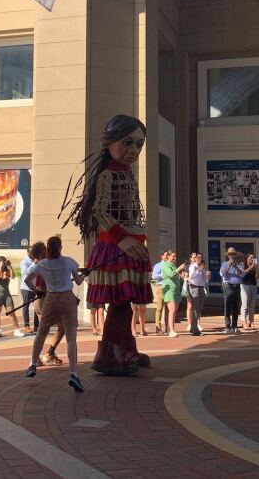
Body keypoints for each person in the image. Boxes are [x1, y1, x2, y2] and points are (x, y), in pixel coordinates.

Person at [61, 114, 152, 376]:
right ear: (109, 142)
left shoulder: (126, 174)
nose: (134, 150)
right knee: (121, 302)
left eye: (139, 144)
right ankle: (108, 355)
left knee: (125, 302)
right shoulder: (107, 176)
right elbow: (100, 211)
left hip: (129, 241)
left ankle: (127, 348)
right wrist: (122, 237)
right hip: (115, 245)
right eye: (127, 142)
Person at [22, 236, 86, 391]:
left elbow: (27, 280)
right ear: (60, 247)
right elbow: (78, 281)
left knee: (42, 332)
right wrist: (85, 274)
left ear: (48, 249)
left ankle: (33, 365)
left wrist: (36, 291)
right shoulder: (69, 262)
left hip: (50, 299)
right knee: (71, 338)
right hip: (67, 298)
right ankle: (73, 373)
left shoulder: (42, 264)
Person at [0, 256, 24, 338]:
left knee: (11, 312)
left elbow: (12, 276)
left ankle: (17, 330)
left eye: (4, 262)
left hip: (7, 294)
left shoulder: (7, 271)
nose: (3, 264)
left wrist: (10, 266)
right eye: (2, 262)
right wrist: (0, 267)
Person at [19, 242, 44, 334]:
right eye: (31, 252)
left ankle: (37, 326)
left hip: (36, 287)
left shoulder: (38, 260)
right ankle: (26, 326)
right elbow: (26, 273)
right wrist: (34, 263)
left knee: (36, 306)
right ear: (28, 252)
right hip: (26, 288)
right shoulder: (24, 262)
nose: (33, 254)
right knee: (26, 306)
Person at [219, 249, 243, 334]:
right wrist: (229, 266)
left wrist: (235, 267)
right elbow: (222, 274)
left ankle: (235, 326)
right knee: (228, 306)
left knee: (235, 306)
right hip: (228, 286)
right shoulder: (224, 264)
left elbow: (242, 274)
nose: (232, 255)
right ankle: (227, 326)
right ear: (228, 255)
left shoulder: (239, 264)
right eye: (230, 254)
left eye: (233, 254)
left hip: (236, 286)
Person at [161, 251, 184, 336]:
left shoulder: (173, 265)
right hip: (169, 290)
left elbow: (175, 276)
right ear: (168, 256)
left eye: (175, 256)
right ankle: (171, 330)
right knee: (172, 309)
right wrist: (179, 268)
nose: (175, 258)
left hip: (176, 290)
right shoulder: (166, 265)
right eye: (173, 256)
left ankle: (171, 329)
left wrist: (182, 276)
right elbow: (170, 274)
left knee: (174, 311)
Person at [187, 253, 209, 336]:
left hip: (201, 288)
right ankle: (195, 329)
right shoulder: (193, 266)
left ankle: (193, 327)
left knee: (199, 309)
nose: (200, 259)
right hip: (194, 287)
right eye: (198, 257)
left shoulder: (202, 268)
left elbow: (204, 280)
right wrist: (199, 269)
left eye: (201, 257)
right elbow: (191, 276)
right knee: (196, 308)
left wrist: (207, 278)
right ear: (195, 258)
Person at [151, 251, 169, 334]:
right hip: (161, 287)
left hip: (168, 287)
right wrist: (164, 275)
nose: (167, 256)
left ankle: (168, 327)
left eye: (168, 255)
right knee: (159, 307)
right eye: (166, 255)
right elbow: (154, 276)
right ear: (162, 256)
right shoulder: (158, 265)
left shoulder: (170, 265)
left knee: (168, 308)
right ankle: (158, 327)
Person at [240, 254, 259, 331]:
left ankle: (251, 321)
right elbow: (242, 274)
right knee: (245, 305)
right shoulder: (243, 265)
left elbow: (257, 277)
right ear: (247, 258)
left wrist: (256, 268)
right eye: (250, 257)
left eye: (253, 257)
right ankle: (244, 322)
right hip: (245, 285)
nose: (252, 259)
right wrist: (251, 267)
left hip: (253, 285)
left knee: (252, 305)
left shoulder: (254, 266)